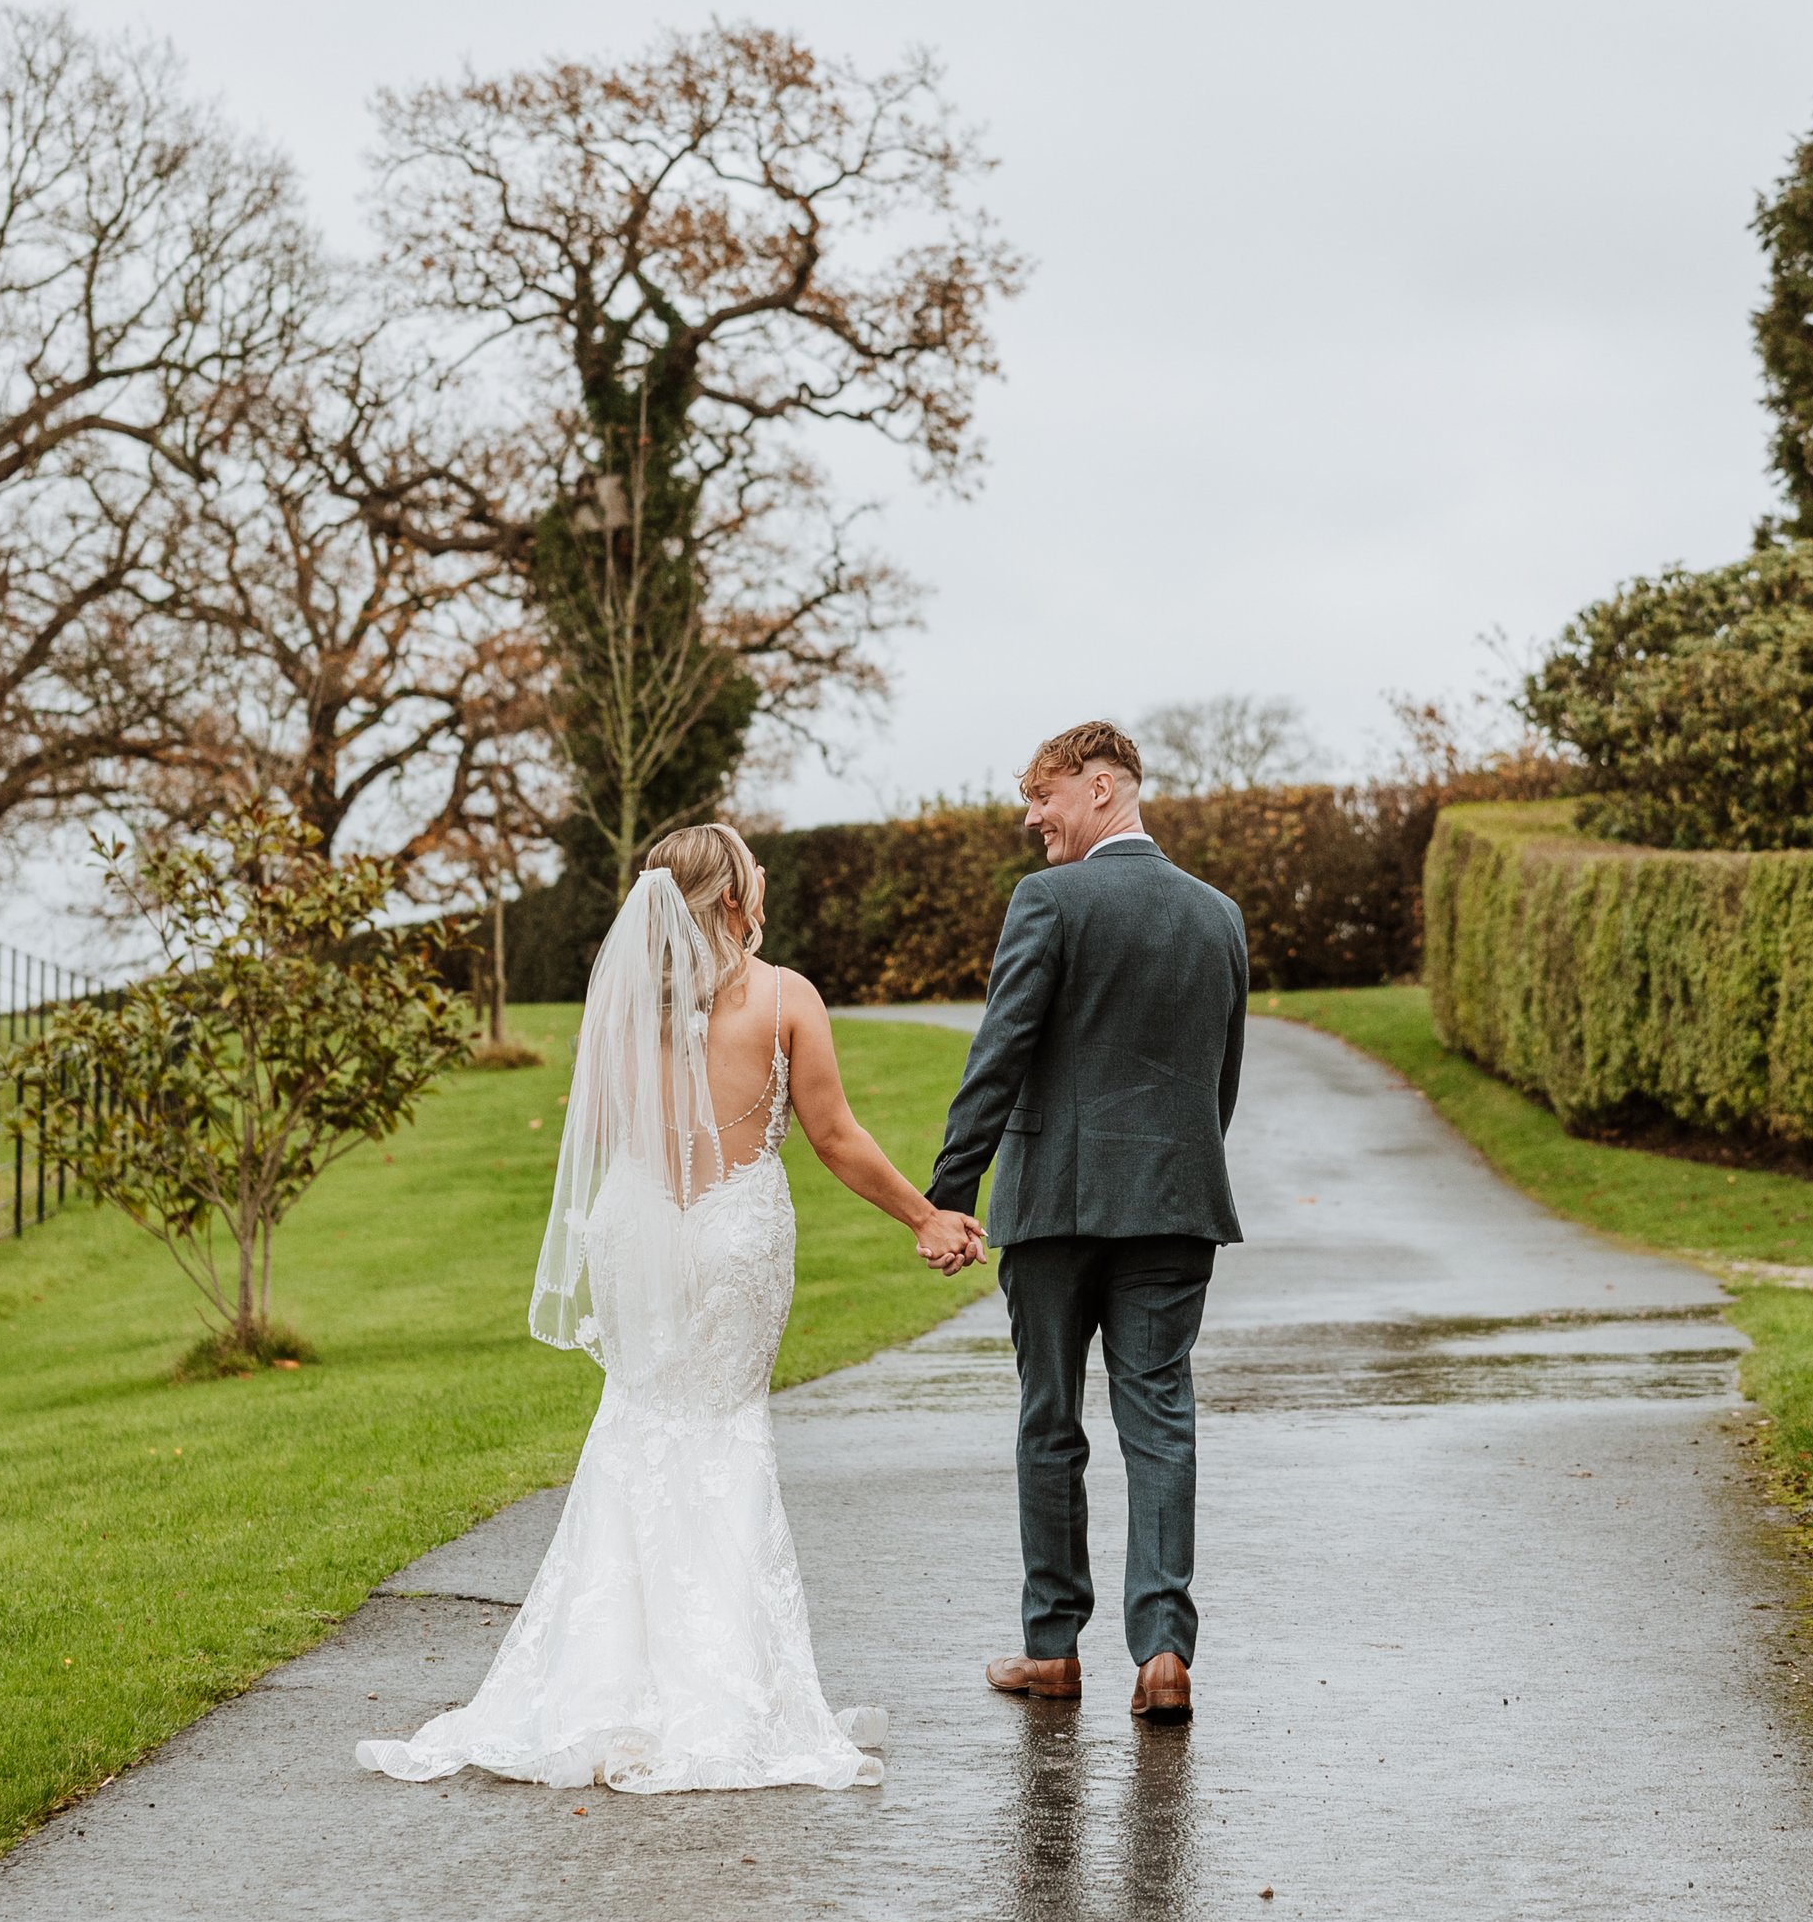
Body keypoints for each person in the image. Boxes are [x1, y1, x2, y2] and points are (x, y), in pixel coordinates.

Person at [358, 823, 981, 1799]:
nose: (765, 883)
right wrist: (923, 1216)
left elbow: (603, 1137)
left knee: (637, 1426)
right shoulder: (785, 998)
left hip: (637, 1227)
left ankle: (600, 1690)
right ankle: (727, 1698)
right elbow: (832, 1134)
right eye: (755, 875)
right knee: (724, 1433)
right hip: (736, 1235)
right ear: (732, 899)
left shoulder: (620, 1011)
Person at [927, 720, 1248, 1724]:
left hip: (1055, 1207)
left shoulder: (1049, 902)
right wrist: (1174, 1170)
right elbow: (1218, 1081)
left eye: (1045, 796)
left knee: (1049, 1420)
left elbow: (999, 1055)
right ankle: (1162, 1654)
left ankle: (1052, 1649)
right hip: (1174, 1205)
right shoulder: (1217, 915)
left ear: (1103, 789)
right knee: (1159, 1421)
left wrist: (951, 1190)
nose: (1033, 817)